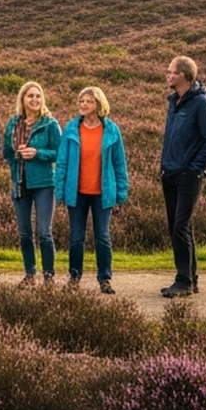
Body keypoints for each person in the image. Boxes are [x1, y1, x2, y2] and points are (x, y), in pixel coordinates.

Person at [161, 55, 206, 298]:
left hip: (188, 175)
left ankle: (184, 281)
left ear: (184, 75)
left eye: (172, 72)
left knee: (181, 226)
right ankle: (189, 279)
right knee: (177, 227)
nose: (168, 75)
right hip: (170, 173)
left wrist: (194, 168)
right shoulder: (173, 101)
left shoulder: (201, 104)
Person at [59, 86, 129, 294]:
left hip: (103, 193)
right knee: (76, 237)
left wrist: (120, 195)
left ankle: (104, 279)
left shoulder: (111, 130)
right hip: (77, 192)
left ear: (98, 104)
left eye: (88, 101)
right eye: (81, 101)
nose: (83, 105)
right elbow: (62, 161)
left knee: (103, 237)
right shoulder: (72, 128)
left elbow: (119, 164)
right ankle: (74, 277)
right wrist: (60, 190)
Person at [4, 81, 61, 286]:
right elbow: (6, 153)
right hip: (20, 182)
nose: (34, 99)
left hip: (44, 183)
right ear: (23, 99)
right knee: (25, 232)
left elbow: (59, 153)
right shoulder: (14, 123)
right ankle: (30, 274)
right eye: (30, 96)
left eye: (38, 96)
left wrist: (38, 153)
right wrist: (16, 156)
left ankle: (48, 275)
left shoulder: (50, 124)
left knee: (44, 231)